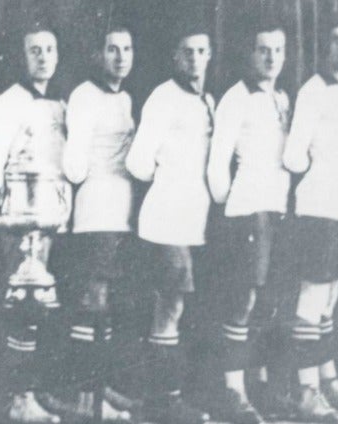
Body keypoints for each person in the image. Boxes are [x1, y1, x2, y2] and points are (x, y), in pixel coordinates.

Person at [0, 22, 67, 424]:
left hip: (50, 223)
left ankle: (29, 393)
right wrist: (4, 219)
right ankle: (15, 399)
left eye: (49, 49)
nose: (43, 57)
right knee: (20, 308)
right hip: (18, 226)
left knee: (40, 310)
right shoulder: (10, 102)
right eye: (35, 50)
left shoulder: (58, 104)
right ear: (23, 56)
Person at [282, 11, 338, 423]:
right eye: (336, 40)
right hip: (317, 210)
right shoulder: (313, 91)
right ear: (325, 45)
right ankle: (307, 390)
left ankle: (327, 377)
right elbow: (292, 155)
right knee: (312, 298)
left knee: (331, 298)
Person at [125, 26, 214, 424]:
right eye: (187, 51)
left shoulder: (206, 100)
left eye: (201, 51)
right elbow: (137, 163)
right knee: (169, 308)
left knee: (178, 308)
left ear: (209, 55)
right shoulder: (163, 97)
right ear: (175, 57)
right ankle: (165, 402)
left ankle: (165, 398)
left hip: (193, 220)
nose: (194, 59)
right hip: (166, 218)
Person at [206, 19, 291, 424]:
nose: (270, 57)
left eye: (277, 50)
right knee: (243, 300)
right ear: (250, 54)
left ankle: (260, 388)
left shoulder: (283, 99)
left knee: (269, 302)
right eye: (263, 50)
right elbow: (217, 165)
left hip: (277, 209)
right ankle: (233, 391)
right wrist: (232, 210)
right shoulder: (235, 99)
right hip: (247, 211)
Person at [53, 24, 137, 422]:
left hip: (122, 211)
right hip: (96, 209)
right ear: (97, 55)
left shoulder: (126, 98)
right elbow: (73, 165)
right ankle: (86, 398)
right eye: (112, 49)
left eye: (126, 49)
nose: (120, 57)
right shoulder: (85, 96)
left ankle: (102, 389)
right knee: (93, 301)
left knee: (112, 302)